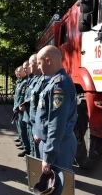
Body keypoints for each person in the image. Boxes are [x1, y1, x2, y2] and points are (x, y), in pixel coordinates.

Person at [33, 45, 77, 173]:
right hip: (51, 143)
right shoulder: (53, 82)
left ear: (48, 61)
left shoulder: (60, 84)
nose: (39, 67)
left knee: (57, 187)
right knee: (48, 186)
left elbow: (56, 123)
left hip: (58, 146)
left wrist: (49, 155)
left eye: (39, 63)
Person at [19, 54, 43, 158]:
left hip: (36, 121)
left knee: (37, 152)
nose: (30, 66)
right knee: (33, 148)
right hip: (31, 117)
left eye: (31, 64)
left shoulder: (41, 80)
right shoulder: (34, 79)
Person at [13, 66, 28, 157]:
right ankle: (24, 143)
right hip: (18, 108)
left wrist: (18, 107)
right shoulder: (20, 82)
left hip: (21, 109)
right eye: (17, 72)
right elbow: (17, 96)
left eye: (19, 71)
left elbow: (22, 97)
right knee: (20, 127)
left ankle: (26, 147)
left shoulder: (25, 83)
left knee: (24, 129)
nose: (17, 74)